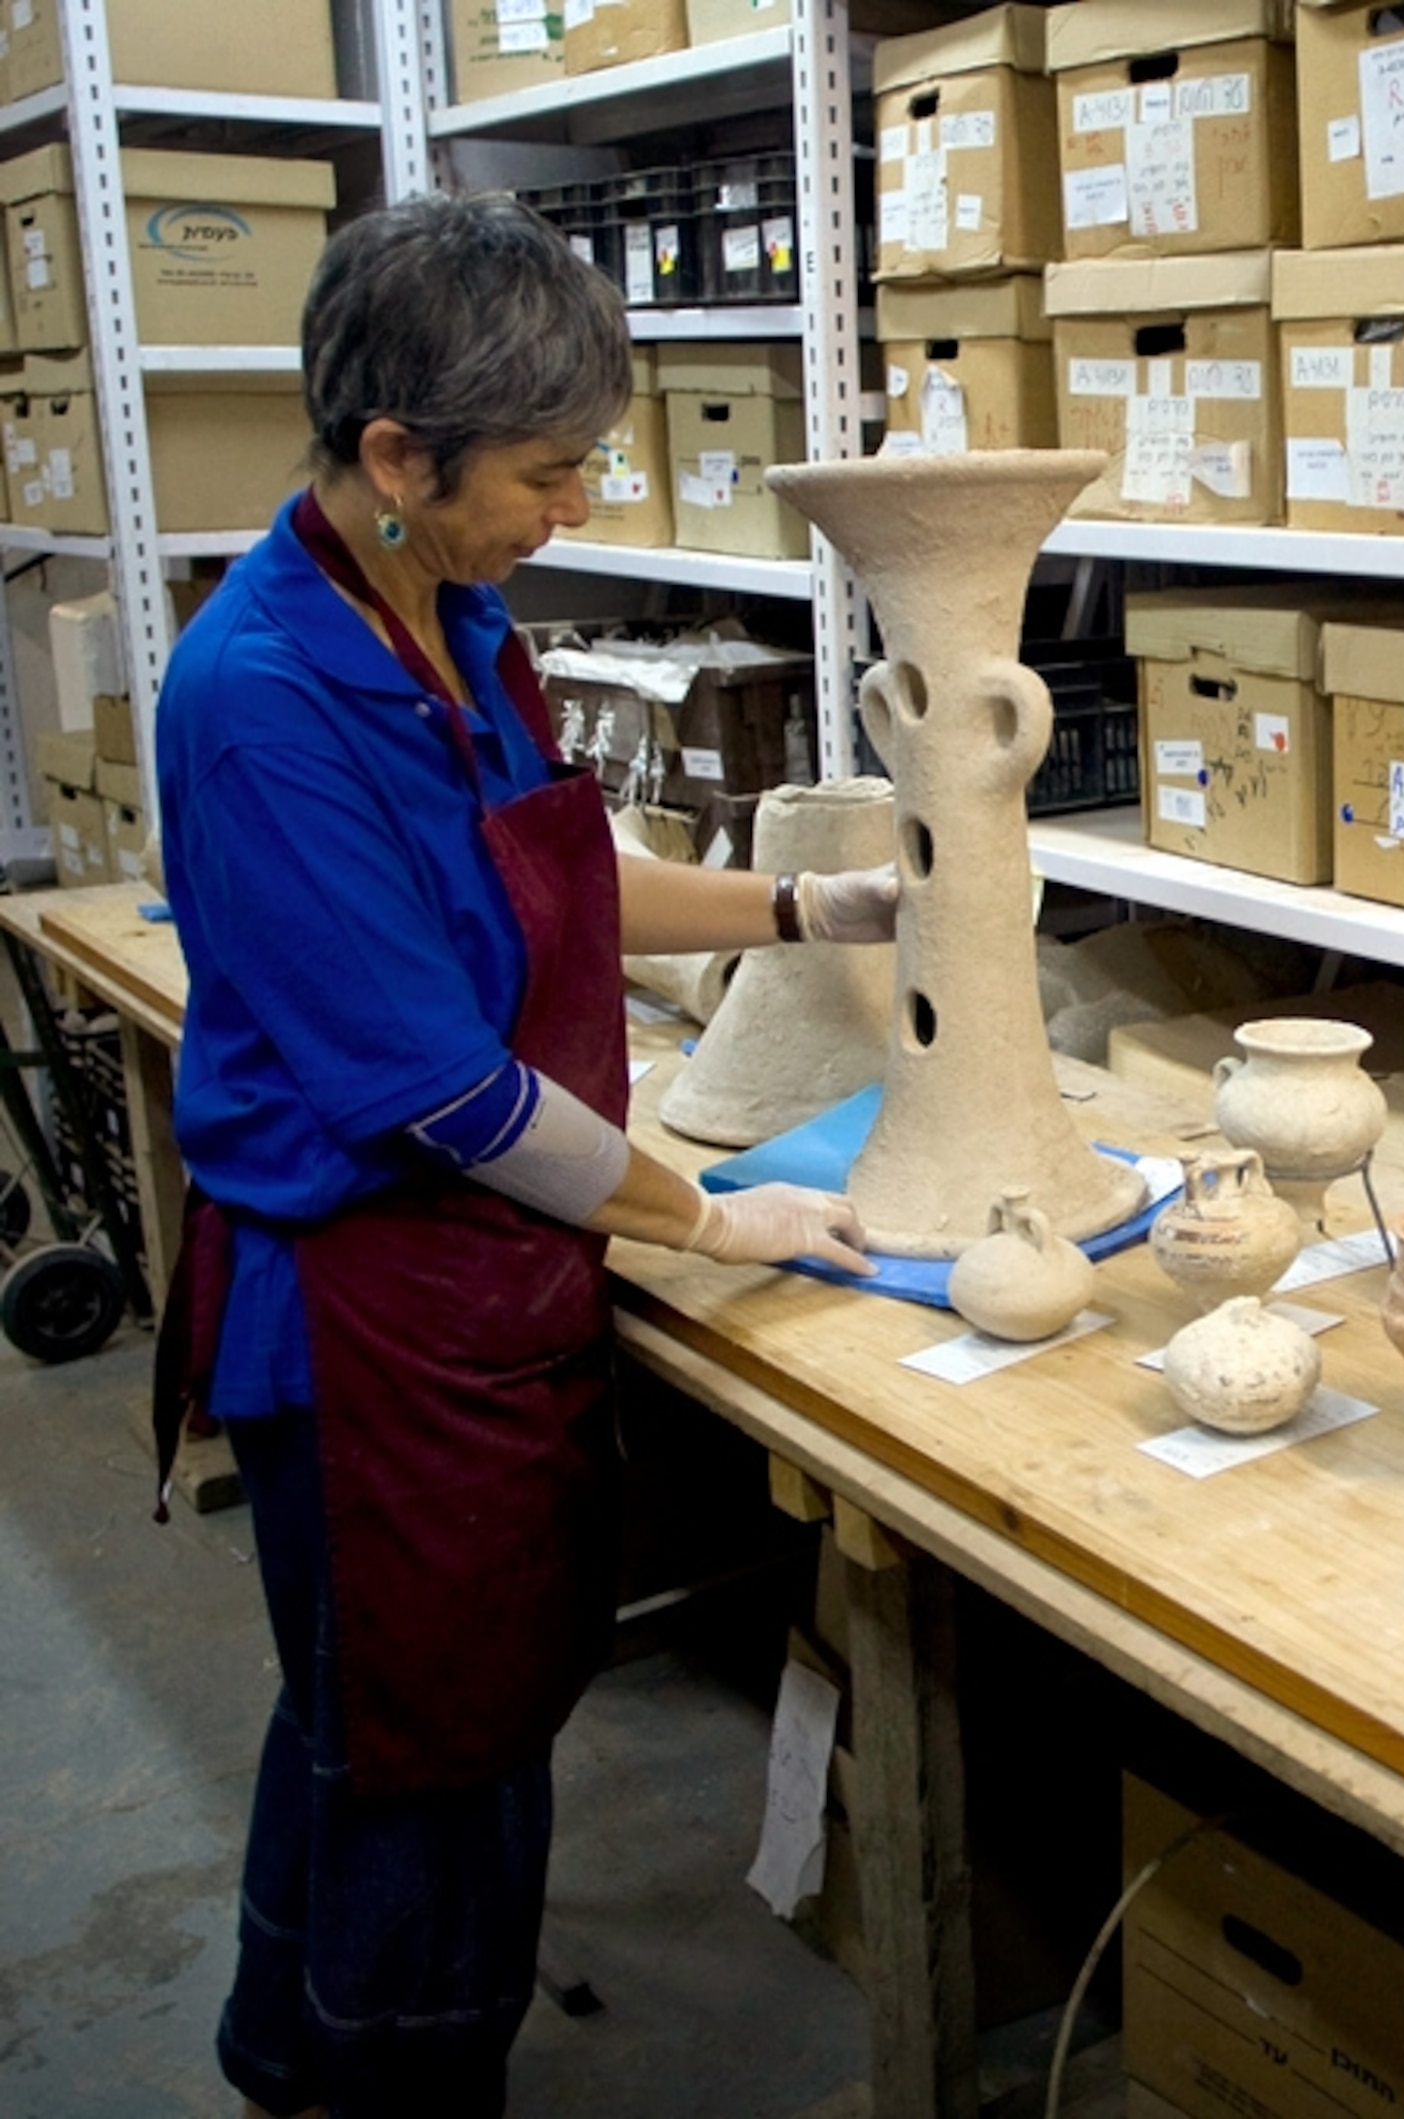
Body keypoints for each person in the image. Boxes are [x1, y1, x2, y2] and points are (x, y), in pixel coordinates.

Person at [150, 192, 885, 2118]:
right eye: (547, 474)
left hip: (487, 1275)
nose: (572, 508)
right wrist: (707, 1216)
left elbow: (552, 887)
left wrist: (805, 917)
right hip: (377, 1308)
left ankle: (285, 2054)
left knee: (382, 1732)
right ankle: (393, 2080)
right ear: (399, 456)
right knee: (429, 1756)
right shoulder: (266, 701)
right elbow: (447, 1094)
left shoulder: (453, 618)